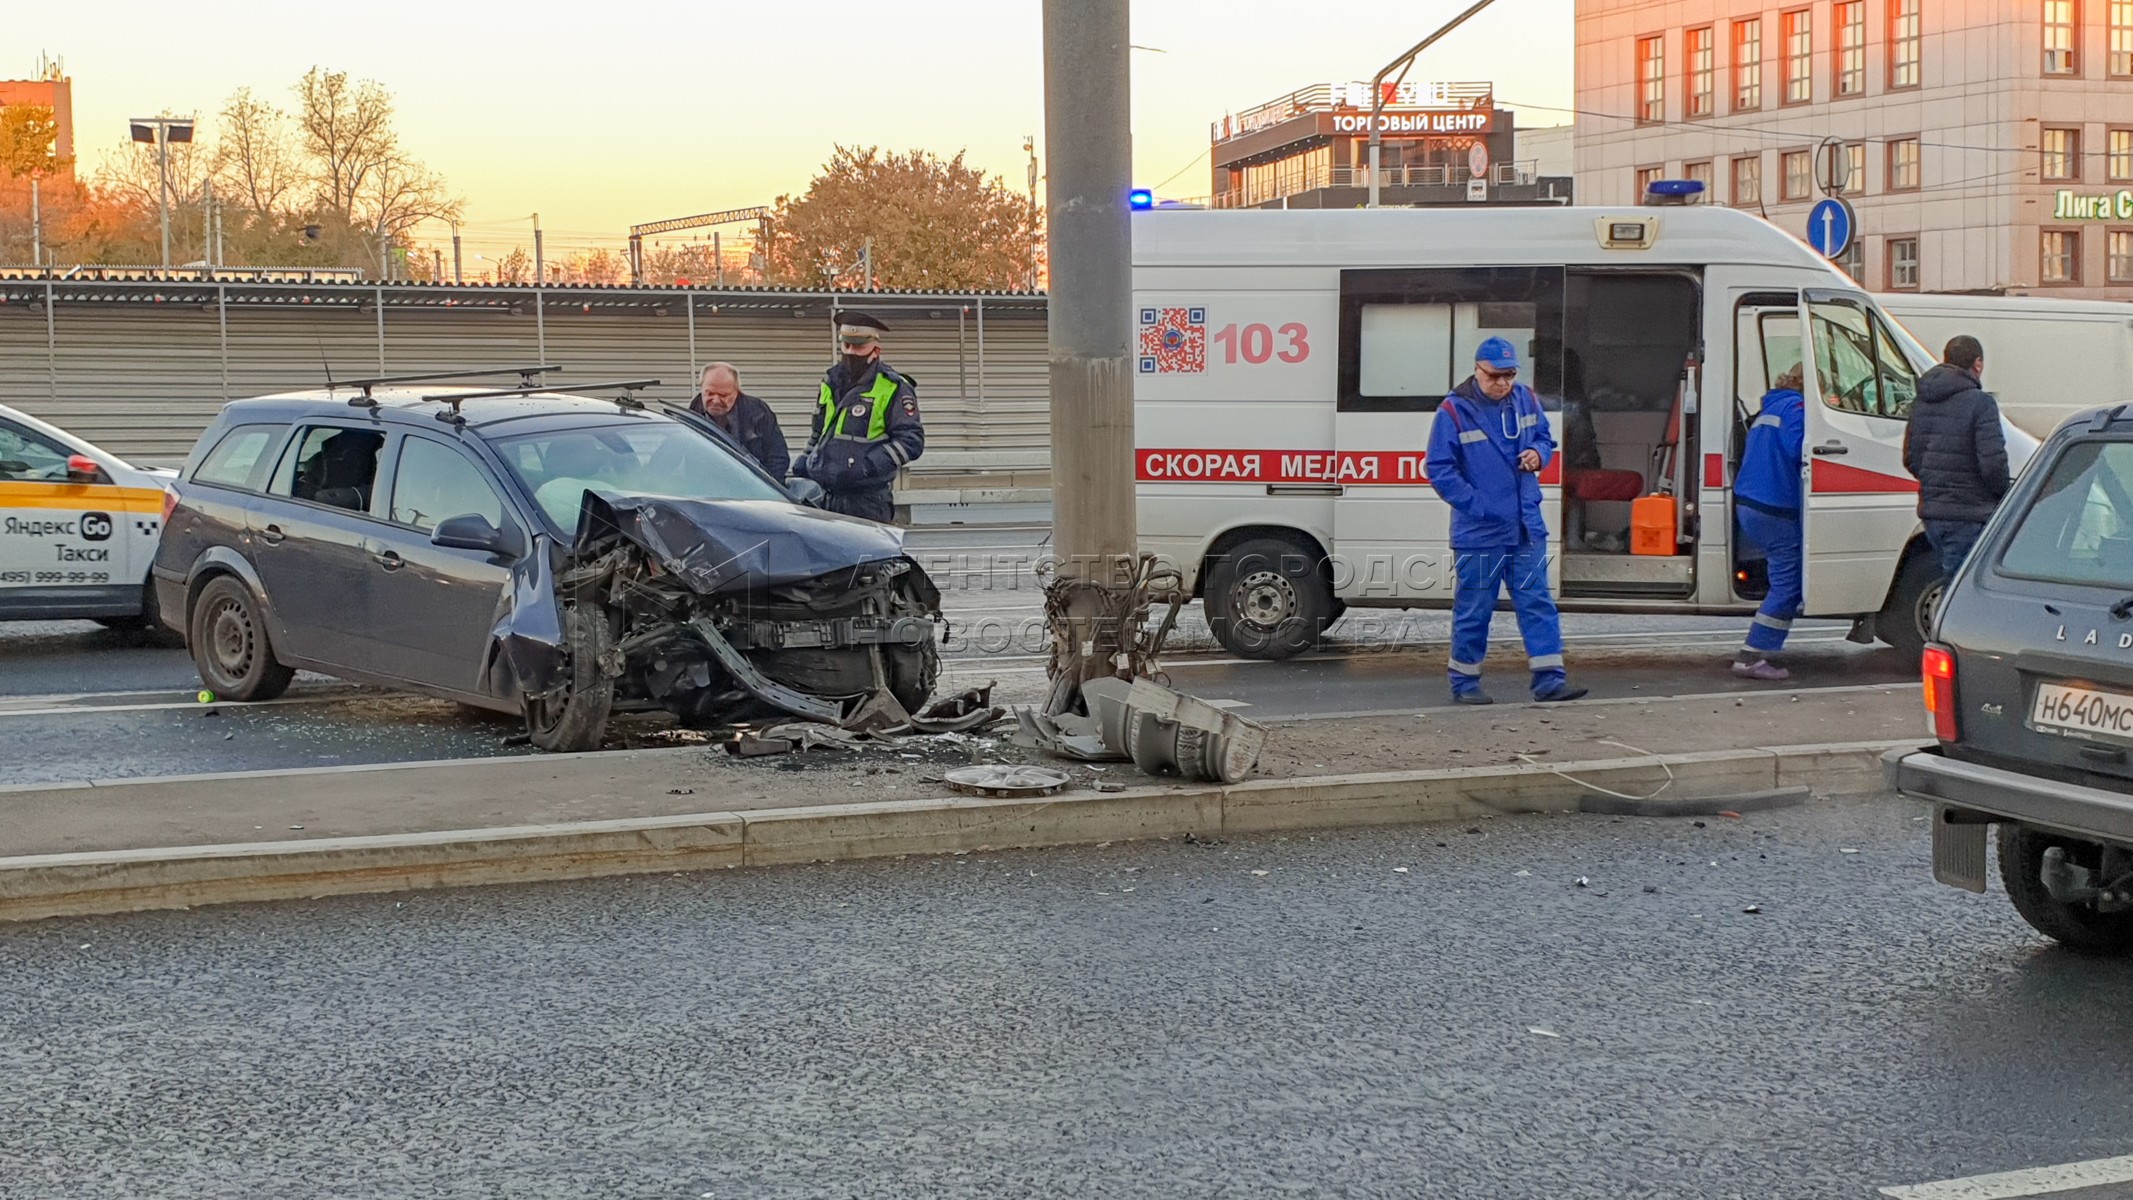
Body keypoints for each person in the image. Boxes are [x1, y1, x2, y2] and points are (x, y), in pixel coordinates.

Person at [1426, 337, 1589, 706]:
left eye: (1509, 376)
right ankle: (1464, 684)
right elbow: (1439, 469)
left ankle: (1550, 681)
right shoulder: (1453, 411)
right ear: (1478, 370)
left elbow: (1546, 439)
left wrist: (1537, 453)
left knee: (1537, 603)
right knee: (1475, 608)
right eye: (1495, 376)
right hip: (1480, 531)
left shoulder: (1526, 399)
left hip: (1525, 525)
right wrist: (1479, 505)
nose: (1502, 383)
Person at [792, 312, 925, 523]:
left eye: (859, 347)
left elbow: (911, 441)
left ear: (876, 349)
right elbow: (820, 432)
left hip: (868, 500)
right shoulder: (829, 382)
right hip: (826, 496)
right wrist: (805, 461)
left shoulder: (893, 387)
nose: (851, 352)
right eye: (847, 345)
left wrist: (868, 466)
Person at [1903, 335, 2011, 579]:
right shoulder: (1981, 404)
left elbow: (1910, 457)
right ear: (1978, 364)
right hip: (1970, 514)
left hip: (1932, 514)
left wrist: (1935, 483)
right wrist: (2003, 494)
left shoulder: (1923, 401)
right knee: (1963, 589)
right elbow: (1993, 463)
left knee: (1949, 580)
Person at [1730, 365, 1807, 681]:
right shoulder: (1797, 408)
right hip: (1775, 507)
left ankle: (1757, 652)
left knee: (1783, 578)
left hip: (1751, 503)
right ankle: (1751, 656)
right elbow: (1800, 449)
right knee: (1787, 585)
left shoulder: (1771, 408)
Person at [690, 362, 790, 481]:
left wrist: (767, 490)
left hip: (753, 488)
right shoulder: (692, 414)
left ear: (737, 392)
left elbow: (778, 458)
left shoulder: (759, 413)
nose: (715, 400)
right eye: (709, 393)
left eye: (723, 395)